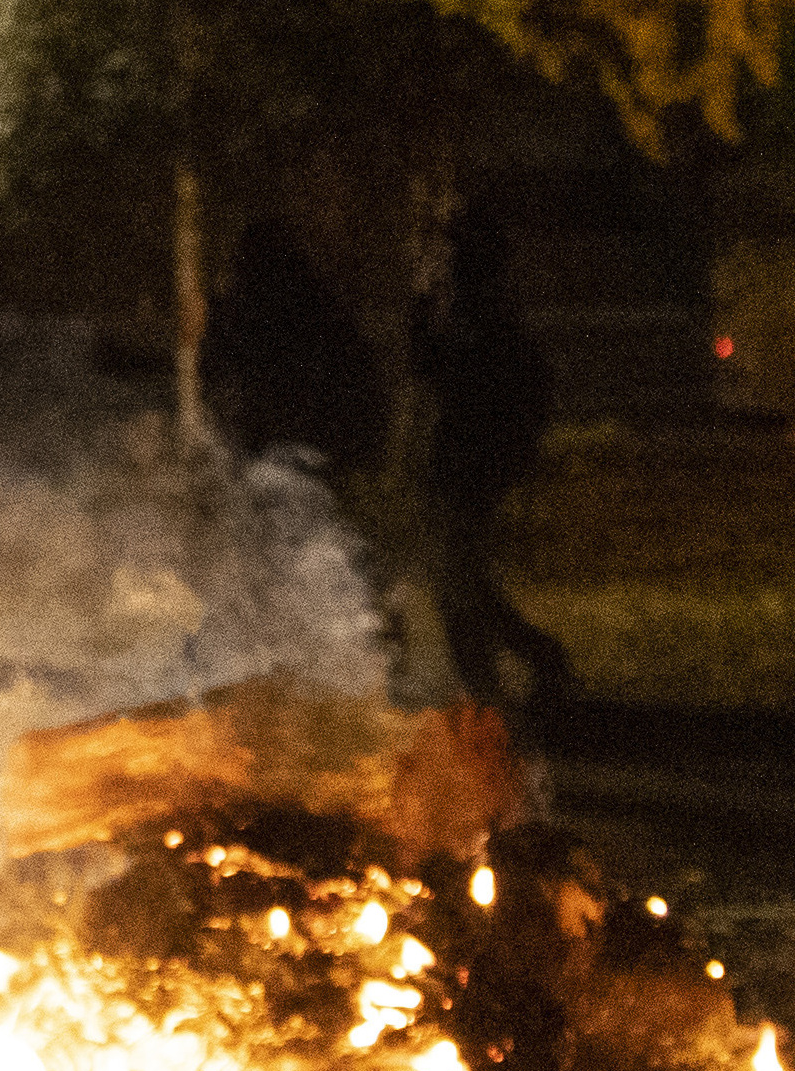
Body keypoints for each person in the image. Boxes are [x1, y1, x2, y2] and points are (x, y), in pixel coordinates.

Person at [409, 207, 572, 720]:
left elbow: (434, 369)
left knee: (458, 582)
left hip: (468, 464)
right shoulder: (486, 312)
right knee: (461, 581)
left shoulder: (479, 317)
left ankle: (495, 685)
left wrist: (421, 305)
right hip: (473, 463)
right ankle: (499, 682)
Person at [202, 212, 391, 478]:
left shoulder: (262, 304)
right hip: (329, 443)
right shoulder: (320, 300)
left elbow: (222, 360)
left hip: (295, 443)